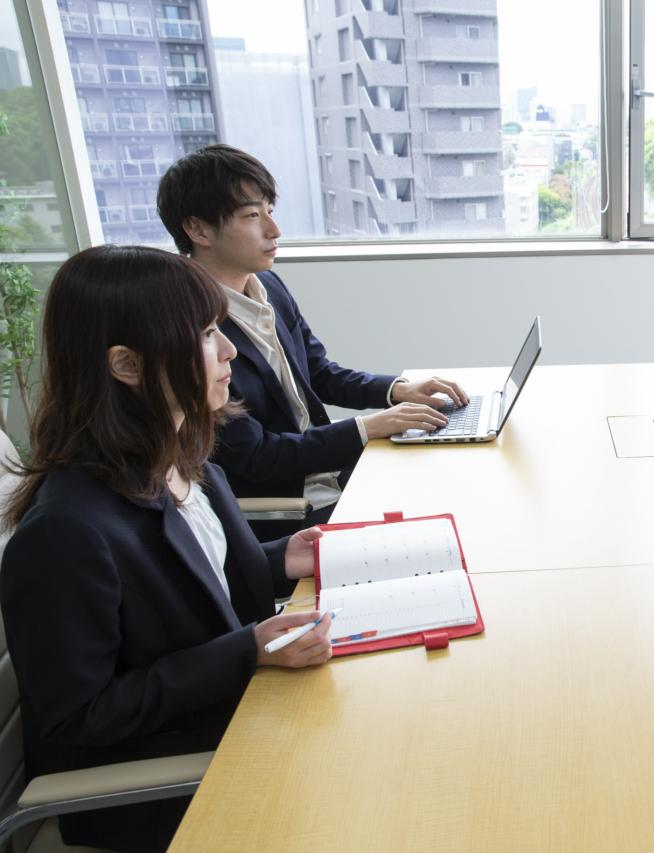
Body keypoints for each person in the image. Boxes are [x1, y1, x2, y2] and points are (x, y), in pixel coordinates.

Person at [0, 246, 334, 851]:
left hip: (242, 715)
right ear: (126, 365)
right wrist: (247, 651)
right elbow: (81, 716)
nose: (230, 350)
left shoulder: (181, 456)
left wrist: (284, 556)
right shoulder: (65, 533)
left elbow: (194, 580)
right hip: (166, 780)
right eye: (208, 334)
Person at [156, 145, 468, 535]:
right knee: (439, 519)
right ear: (198, 229)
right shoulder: (187, 327)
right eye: (252, 215)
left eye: (271, 210)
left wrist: (397, 390)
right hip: (286, 507)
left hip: (328, 475)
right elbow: (255, 455)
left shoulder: (267, 285)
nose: (274, 230)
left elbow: (319, 372)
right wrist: (369, 427)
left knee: (453, 477)